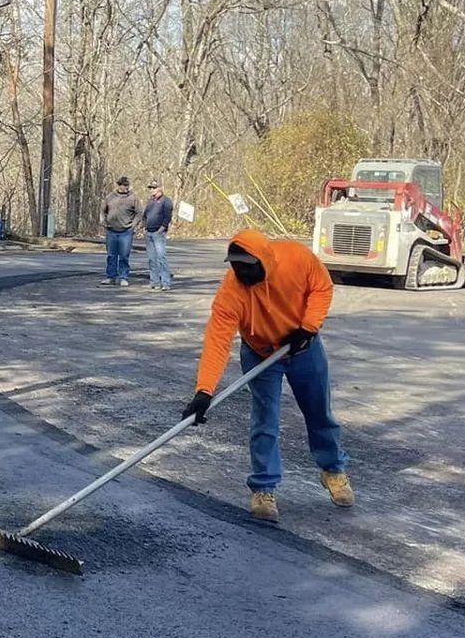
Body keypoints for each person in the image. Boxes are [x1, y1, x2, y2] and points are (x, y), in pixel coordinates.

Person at [181, 228, 353, 523]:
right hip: (260, 353)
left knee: (319, 413)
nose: (241, 272)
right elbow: (217, 340)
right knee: (265, 420)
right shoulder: (231, 292)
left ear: (264, 260)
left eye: (247, 266)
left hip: (303, 349)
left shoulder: (296, 257)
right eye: (235, 266)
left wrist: (309, 327)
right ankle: (264, 488)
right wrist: (204, 391)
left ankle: (333, 470)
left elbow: (322, 287)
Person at [101, 176, 139, 286]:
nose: (125, 187)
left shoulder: (133, 198)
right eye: (123, 185)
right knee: (111, 255)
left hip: (126, 231)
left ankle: (123, 277)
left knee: (124, 255)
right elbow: (102, 210)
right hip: (111, 230)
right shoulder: (110, 197)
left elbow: (139, 212)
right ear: (118, 186)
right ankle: (111, 276)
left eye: (127, 185)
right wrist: (103, 220)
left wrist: (134, 224)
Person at [142, 179, 174, 291]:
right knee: (152, 259)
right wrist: (144, 227)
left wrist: (162, 228)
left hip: (158, 233)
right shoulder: (150, 202)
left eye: (154, 188)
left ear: (160, 188)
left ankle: (165, 282)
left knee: (161, 258)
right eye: (150, 188)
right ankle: (154, 281)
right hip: (149, 232)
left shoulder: (166, 201)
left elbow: (167, 216)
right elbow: (145, 215)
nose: (152, 190)